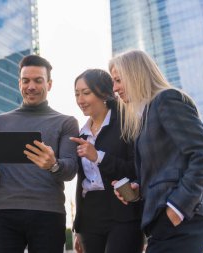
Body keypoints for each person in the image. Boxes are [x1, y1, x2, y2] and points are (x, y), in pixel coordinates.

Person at [109, 49, 203, 253]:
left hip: (183, 218)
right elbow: (164, 170)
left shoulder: (167, 99)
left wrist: (177, 208)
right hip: (162, 221)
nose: (115, 88)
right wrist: (138, 190)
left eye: (118, 80)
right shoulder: (146, 116)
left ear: (135, 74)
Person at [0, 55, 79, 253]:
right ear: (19, 83)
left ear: (49, 84)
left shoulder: (67, 122)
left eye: (38, 80)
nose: (31, 86)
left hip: (49, 213)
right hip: (6, 212)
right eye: (26, 81)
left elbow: (71, 170)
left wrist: (53, 164)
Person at [70, 69, 143, 253]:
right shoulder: (81, 134)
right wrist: (77, 228)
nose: (80, 100)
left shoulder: (128, 123)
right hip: (89, 218)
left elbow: (137, 170)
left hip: (123, 213)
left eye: (86, 93)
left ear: (103, 93)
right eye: (77, 94)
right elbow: (81, 183)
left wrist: (98, 157)